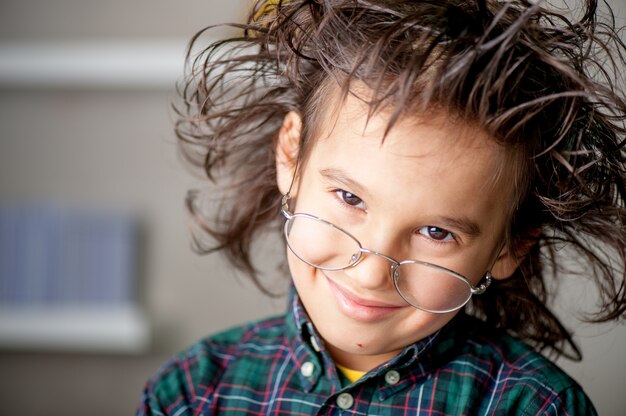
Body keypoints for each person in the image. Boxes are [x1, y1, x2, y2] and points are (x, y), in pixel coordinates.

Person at [137, 0, 626, 414]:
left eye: (437, 232)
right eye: (350, 199)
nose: (371, 272)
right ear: (291, 155)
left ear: (510, 246)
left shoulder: (535, 406)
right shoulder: (193, 395)